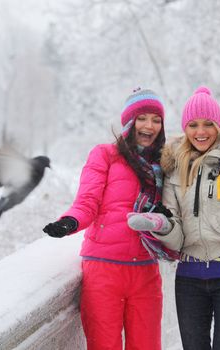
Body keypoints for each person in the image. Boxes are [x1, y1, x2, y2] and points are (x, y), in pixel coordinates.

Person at [127, 86, 220, 350]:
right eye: (193, 125)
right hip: (189, 278)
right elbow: (177, 240)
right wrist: (160, 225)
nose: (201, 132)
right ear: (185, 129)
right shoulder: (175, 170)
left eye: (208, 124)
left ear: (219, 126)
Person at [43, 88, 167, 350]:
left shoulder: (164, 164)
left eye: (156, 120)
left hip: (146, 270)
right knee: (104, 346)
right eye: (142, 118)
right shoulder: (105, 155)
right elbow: (87, 201)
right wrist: (69, 222)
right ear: (129, 123)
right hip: (103, 270)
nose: (149, 125)